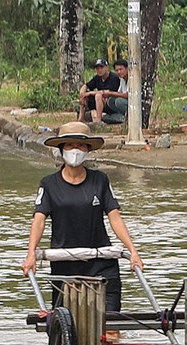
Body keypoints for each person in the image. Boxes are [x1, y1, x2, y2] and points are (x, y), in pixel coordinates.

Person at [20, 121, 144, 314]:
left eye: (80, 145)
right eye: (69, 145)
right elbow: (39, 219)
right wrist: (31, 253)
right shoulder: (49, 184)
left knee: (110, 324)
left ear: (88, 149)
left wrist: (133, 251)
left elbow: (115, 217)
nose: (75, 150)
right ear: (61, 149)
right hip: (65, 265)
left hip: (102, 263)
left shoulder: (100, 180)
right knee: (67, 325)